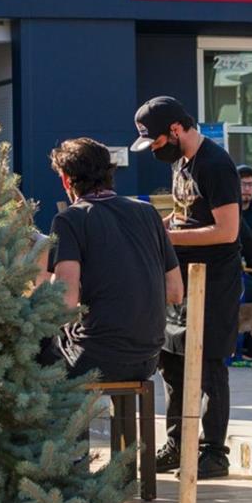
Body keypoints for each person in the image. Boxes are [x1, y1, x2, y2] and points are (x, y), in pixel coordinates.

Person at [131, 96, 240, 480]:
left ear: (175, 130)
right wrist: (161, 224)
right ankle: (179, 443)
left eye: (157, 142)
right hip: (182, 278)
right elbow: (188, 213)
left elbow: (227, 231)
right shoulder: (182, 163)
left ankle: (214, 452)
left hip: (214, 282)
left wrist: (172, 240)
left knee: (209, 364)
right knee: (172, 362)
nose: (155, 150)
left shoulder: (216, 164)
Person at [43, 137, 182, 404]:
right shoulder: (148, 213)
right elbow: (175, 292)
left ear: (66, 180)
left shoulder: (70, 219)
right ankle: (124, 444)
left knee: (34, 354)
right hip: (147, 358)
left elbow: (65, 302)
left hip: (95, 356)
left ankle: (68, 446)